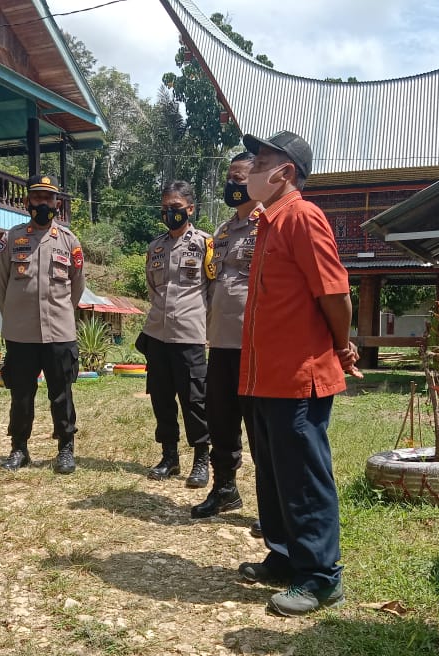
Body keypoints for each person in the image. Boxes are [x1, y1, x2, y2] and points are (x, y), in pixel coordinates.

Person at [235, 130, 362, 617]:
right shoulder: (268, 221)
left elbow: (334, 294)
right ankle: (286, 556)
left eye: (261, 159)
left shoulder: (303, 216)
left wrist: (338, 343)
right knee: (273, 473)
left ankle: (321, 576)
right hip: (265, 377)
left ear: (284, 171)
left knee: (304, 477)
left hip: (298, 377)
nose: (252, 168)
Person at [0, 174, 85, 474]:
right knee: (21, 394)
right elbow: (2, 286)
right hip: (21, 333)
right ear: (26, 202)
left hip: (59, 332)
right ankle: (19, 448)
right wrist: (15, 316)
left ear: (57, 203)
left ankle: (65, 449)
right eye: (37, 198)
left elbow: (77, 286)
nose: (43, 203)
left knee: (61, 393)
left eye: (48, 198)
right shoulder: (12, 238)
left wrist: (62, 314)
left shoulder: (70, 241)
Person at [191, 153, 262, 520]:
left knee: (261, 428)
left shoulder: (267, 224)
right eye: (230, 177)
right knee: (220, 419)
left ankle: (271, 509)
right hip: (220, 342)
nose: (232, 184)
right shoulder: (220, 232)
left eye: (240, 178)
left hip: (256, 346)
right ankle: (225, 489)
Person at [138, 181, 213, 487]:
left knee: (195, 400)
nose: (170, 213)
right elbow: (153, 288)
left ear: (190, 209)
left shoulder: (206, 244)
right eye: (166, 208)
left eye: (176, 208)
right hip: (157, 334)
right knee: (161, 398)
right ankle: (169, 457)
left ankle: (201, 459)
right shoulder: (154, 247)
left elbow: (214, 289)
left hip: (190, 336)